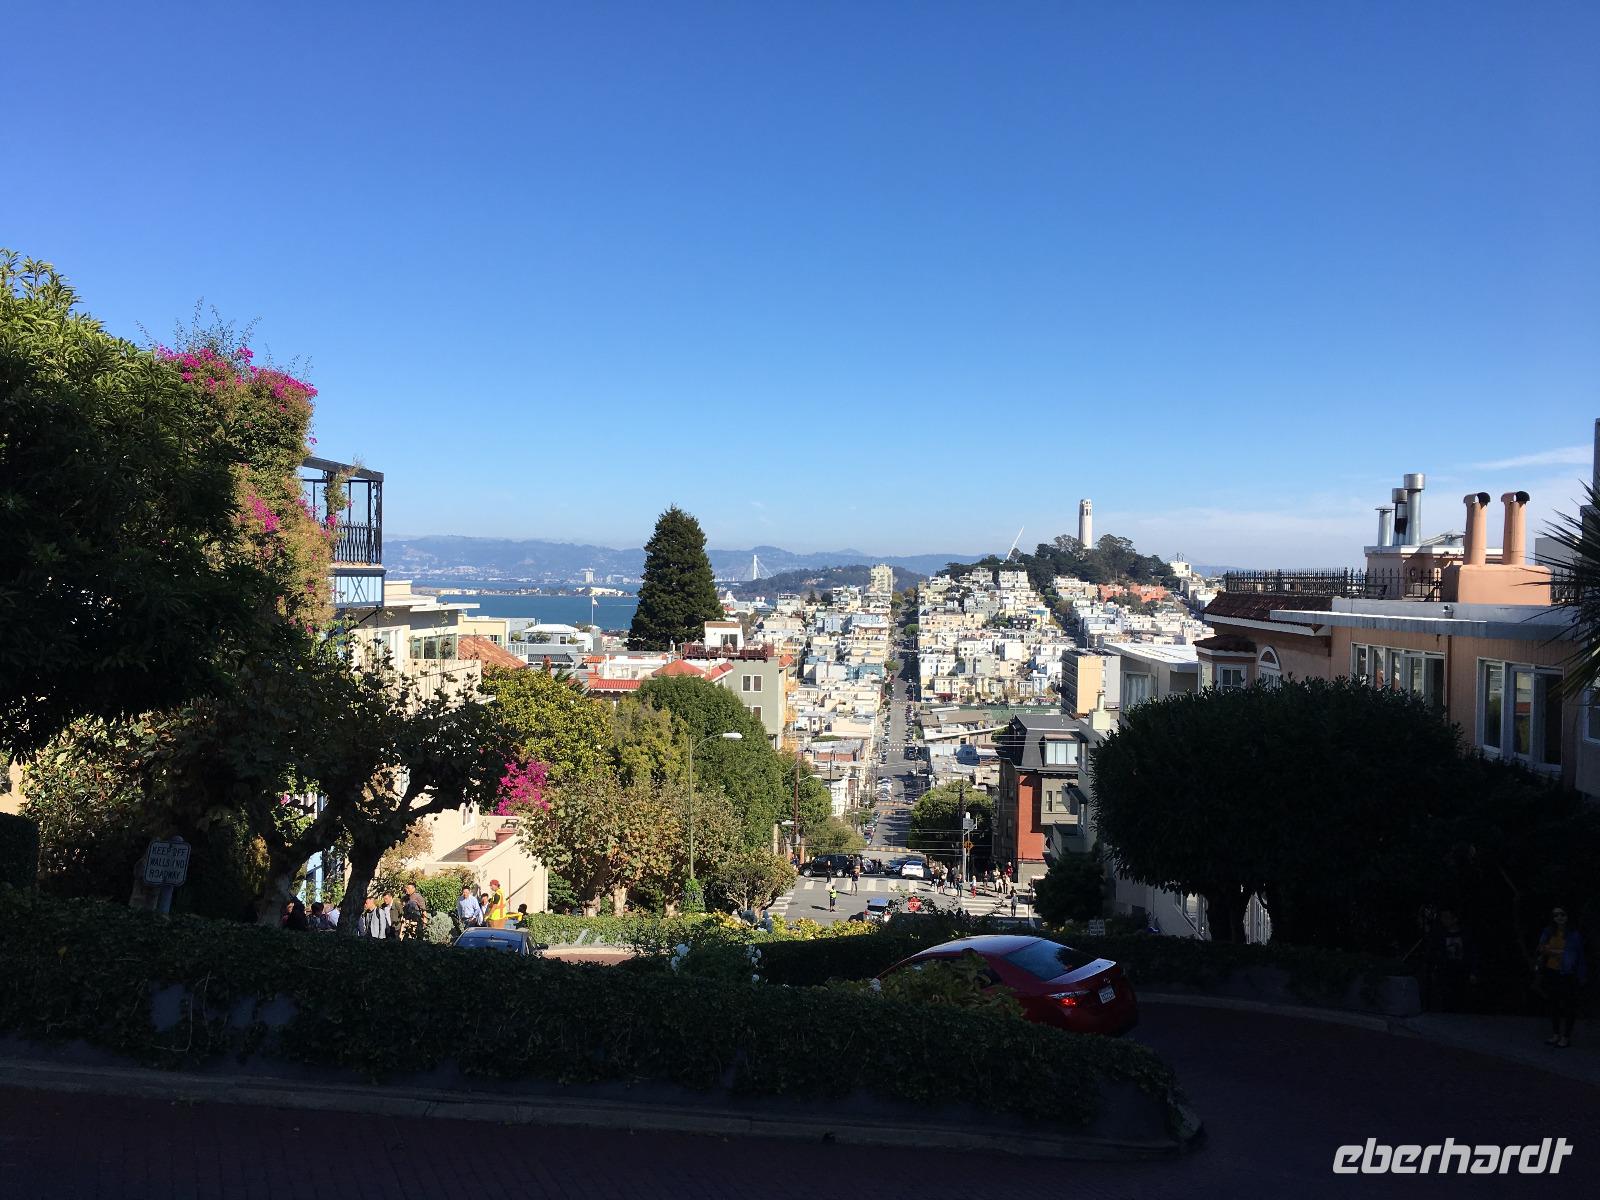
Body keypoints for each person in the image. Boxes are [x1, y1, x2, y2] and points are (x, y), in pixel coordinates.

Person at [1535, 906, 1587, 1048]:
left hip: (1568, 973)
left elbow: (1577, 955)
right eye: (1556, 915)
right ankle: (1556, 1033)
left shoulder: (1574, 934)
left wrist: (1581, 975)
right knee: (1554, 1003)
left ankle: (1566, 1036)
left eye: (1562, 914)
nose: (1559, 917)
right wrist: (1558, 952)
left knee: (1569, 1005)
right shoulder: (1549, 931)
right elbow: (1541, 948)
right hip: (1552, 971)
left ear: (1568, 916)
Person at [1424, 908, 1478, 1012]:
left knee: (1462, 998)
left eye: (1447, 917)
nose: (1444, 920)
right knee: (1446, 999)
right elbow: (1435, 954)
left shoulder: (1465, 935)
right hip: (1446, 971)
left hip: (1462, 971)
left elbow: (1473, 954)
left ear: (1455, 919)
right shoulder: (1440, 936)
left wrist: (1473, 971)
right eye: (1443, 917)